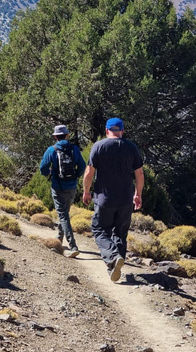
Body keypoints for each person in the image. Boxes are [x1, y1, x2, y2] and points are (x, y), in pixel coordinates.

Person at [83, 117, 144, 282]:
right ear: (122, 131)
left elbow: (89, 173)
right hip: (125, 200)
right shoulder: (132, 147)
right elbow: (139, 174)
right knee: (120, 233)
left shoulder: (99, 146)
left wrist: (86, 191)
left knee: (99, 229)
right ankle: (115, 265)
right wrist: (137, 194)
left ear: (106, 130)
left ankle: (112, 257)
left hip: (104, 199)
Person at [40, 124, 86, 258]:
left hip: (58, 186)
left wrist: (50, 172)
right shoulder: (74, 149)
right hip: (71, 187)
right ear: (67, 135)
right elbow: (82, 166)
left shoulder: (51, 150)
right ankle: (59, 238)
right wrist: (75, 177)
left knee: (63, 215)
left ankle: (73, 246)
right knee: (65, 213)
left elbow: (43, 168)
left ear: (55, 137)